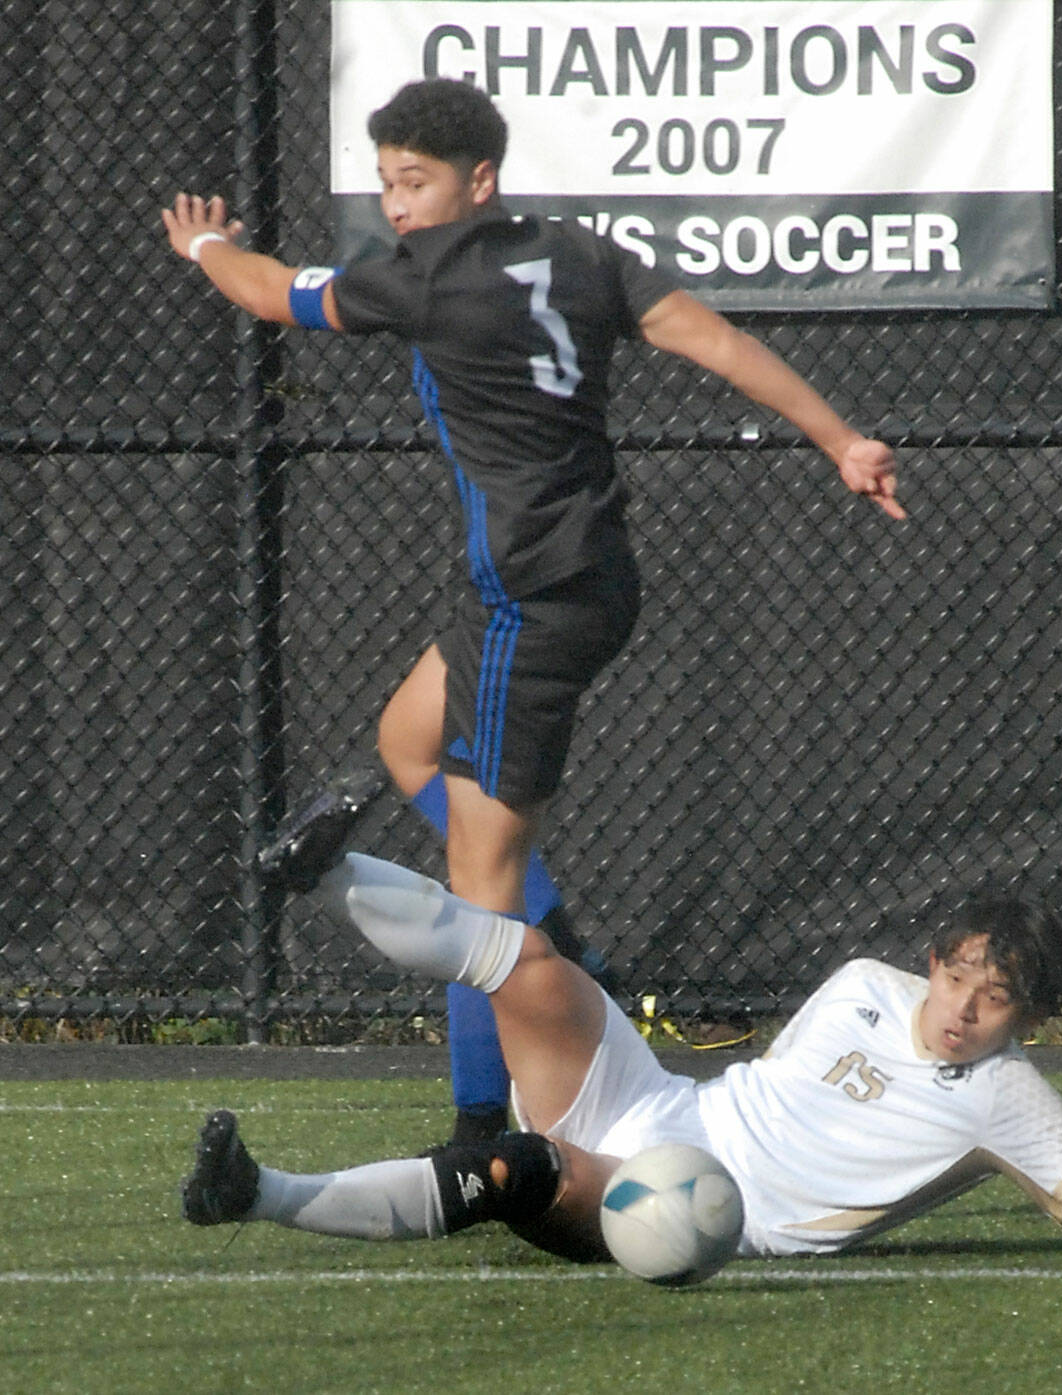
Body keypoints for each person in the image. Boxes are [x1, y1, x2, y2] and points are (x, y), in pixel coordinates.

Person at [162, 79, 904, 1144]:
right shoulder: (582, 252)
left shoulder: (424, 280)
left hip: (528, 603)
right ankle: (571, 955)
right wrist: (838, 439)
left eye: (415, 180)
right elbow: (715, 342)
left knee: (476, 894)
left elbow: (273, 292)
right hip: (567, 583)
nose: (398, 204)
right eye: (385, 183)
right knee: (406, 744)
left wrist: (204, 248)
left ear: (480, 179)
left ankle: (480, 1133)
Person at [181, 856, 1062, 1269]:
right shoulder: (859, 982)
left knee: (522, 1169)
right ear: (932, 963)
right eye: (960, 984)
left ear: (1024, 1020)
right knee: (532, 966)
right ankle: (319, 875)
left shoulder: (1007, 1096)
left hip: (705, 1209)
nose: (966, 1014)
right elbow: (769, 1092)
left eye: (998, 1006)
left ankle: (256, 1193)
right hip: (668, 1107)